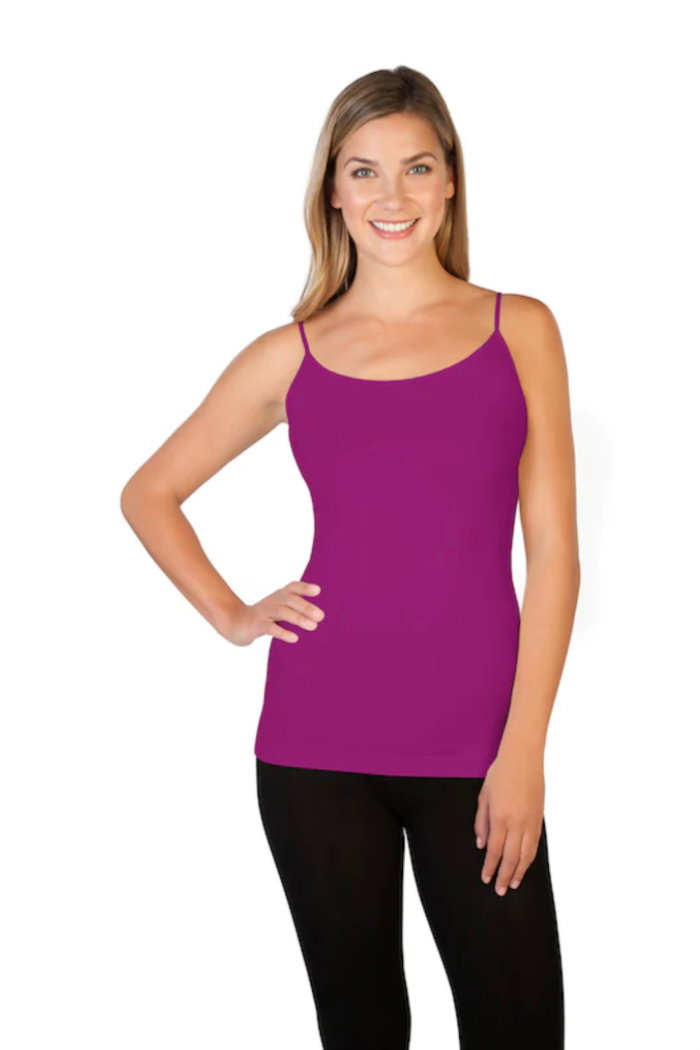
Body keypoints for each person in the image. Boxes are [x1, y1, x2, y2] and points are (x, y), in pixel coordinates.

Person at [121, 65, 579, 1050]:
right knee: (362, 1030)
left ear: (449, 180)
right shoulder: (290, 354)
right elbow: (149, 493)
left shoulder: (521, 330)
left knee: (520, 1027)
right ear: (332, 190)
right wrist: (234, 614)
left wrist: (524, 752)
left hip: (478, 743)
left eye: (416, 166)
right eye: (363, 170)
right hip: (313, 746)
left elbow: (553, 555)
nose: (391, 195)